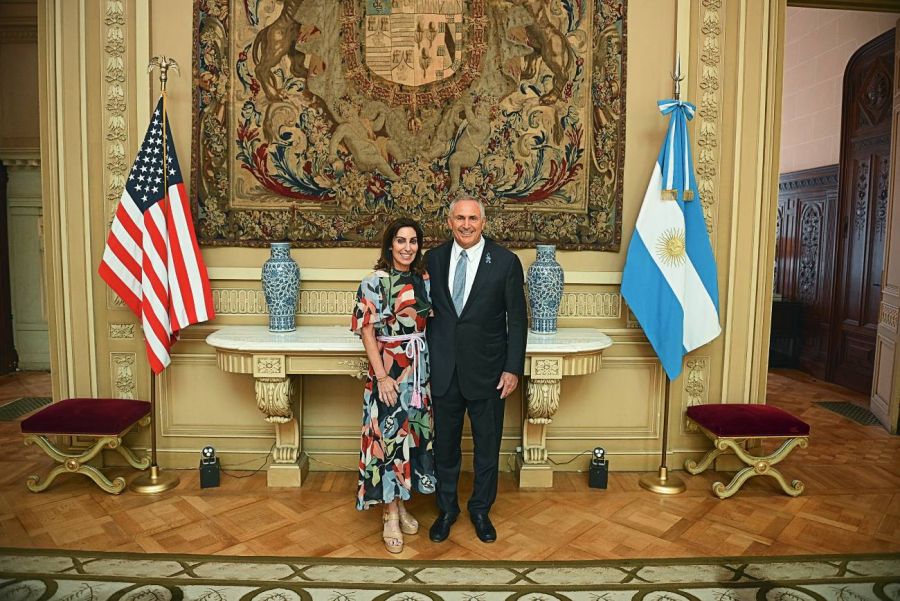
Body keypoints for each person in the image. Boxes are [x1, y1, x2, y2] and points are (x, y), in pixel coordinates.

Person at [425, 197, 527, 543]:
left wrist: (512, 369)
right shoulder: (434, 259)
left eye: (472, 218)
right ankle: (447, 509)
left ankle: (480, 509)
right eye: (459, 218)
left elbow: (518, 319)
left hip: (488, 372)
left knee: (487, 447)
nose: (466, 225)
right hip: (443, 371)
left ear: (483, 223)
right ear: (449, 222)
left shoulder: (505, 262)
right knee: (445, 447)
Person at [351, 217, 436, 554]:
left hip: (418, 373)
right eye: (400, 241)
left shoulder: (423, 279)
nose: (407, 247)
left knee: (411, 438)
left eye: (413, 241)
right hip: (389, 371)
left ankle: (401, 505)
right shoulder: (374, 282)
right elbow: (367, 332)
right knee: (388, 441)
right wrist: (382, 376)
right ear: (389, 245)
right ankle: (388, 514)